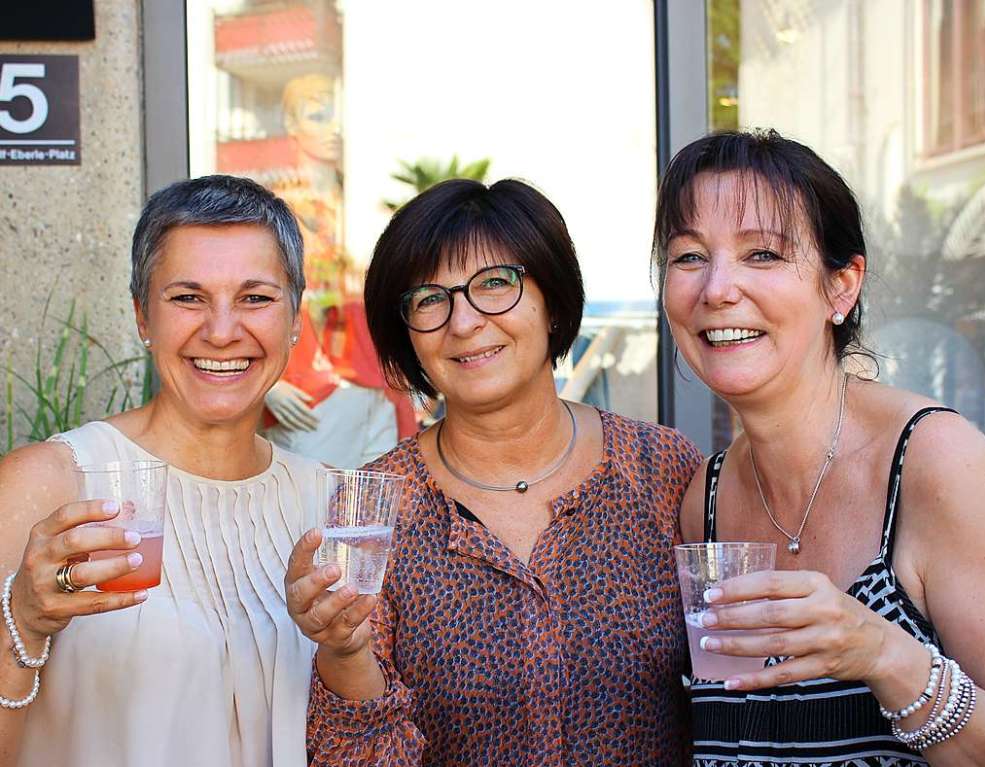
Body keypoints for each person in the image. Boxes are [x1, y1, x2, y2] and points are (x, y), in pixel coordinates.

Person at [285, 178, 703, 766]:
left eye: (495, 284)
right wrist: (344, 653)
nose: (464, 321)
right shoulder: (378, 506)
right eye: (430, 298)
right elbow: (356, 755)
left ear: (552, 301)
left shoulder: (660, 469)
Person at [656, 129, 985, 765]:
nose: (716, 288)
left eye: (762, 254)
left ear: (841, 288)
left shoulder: (932, 461)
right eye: (689, 257)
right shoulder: (705, 498)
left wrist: (883, 654)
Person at [0, 176, 320, 766]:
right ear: (142, 317)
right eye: (187, 297)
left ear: (295, 318)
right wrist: (20, 620)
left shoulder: (328, 502)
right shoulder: (49, 484)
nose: (222, 331)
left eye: (255, 298)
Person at [264, 73, 414, 468]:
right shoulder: (277, 215)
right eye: (317, 115)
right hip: (313, 396)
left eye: (338, 116)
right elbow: (253, 298)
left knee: (377, 520)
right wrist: (265, 383)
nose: (333, 128)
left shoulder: (358, 209)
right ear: (291, 124)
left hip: (379, 386)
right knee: (313, 520)